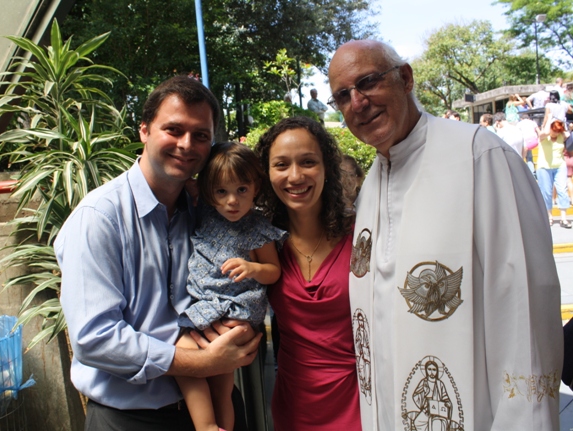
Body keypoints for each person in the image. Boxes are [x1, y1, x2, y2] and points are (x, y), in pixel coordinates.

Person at [328, 39, 562, 430]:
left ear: (405, 78)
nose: (358, 102)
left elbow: (524, 307)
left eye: (368, 82)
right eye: (342, 95)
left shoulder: (480, 157)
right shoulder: (370, 186)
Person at [55, 76, 262, 431]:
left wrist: (240, 326)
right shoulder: (99, 218)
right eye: (174, 130)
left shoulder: (206, 209)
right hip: (132, 418)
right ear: (144, 130)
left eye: (200, 135)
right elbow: (95, 339)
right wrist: (201, 363)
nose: (187, 144)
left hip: (217, 404)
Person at [255, 116, 361, 430]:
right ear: (266, 174)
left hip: (360, 401)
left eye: (308, 162)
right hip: (294, 406)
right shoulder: (262, 243)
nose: (295, 176)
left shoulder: (362, 234)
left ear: (327, 168)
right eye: (281, 165)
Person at [175, 142, 286, 431]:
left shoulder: (256, 227)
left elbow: (274, 271)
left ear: (256, 187)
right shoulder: (207, 211)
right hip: (206, 305)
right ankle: (208, 425)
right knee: (189, 359)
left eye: (242, 190)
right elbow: (190, 185)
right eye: (222, 192)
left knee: (219, 381)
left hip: (236, 308)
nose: (232, 201)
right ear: (210, 191)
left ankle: (210, 426)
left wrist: (253, 268)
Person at [536, 119, 572, 228]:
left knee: (562, 190)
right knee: (547, 192)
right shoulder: (543, 136)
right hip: (544, 167)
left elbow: (567, 133)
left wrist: (561, 125)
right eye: (554, 130)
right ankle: (549, 216)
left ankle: (563, 218)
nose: (555, 133)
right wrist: (549, 119)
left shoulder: (561, 136)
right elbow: (544, 132)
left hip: (560, 166)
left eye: (558, 131)